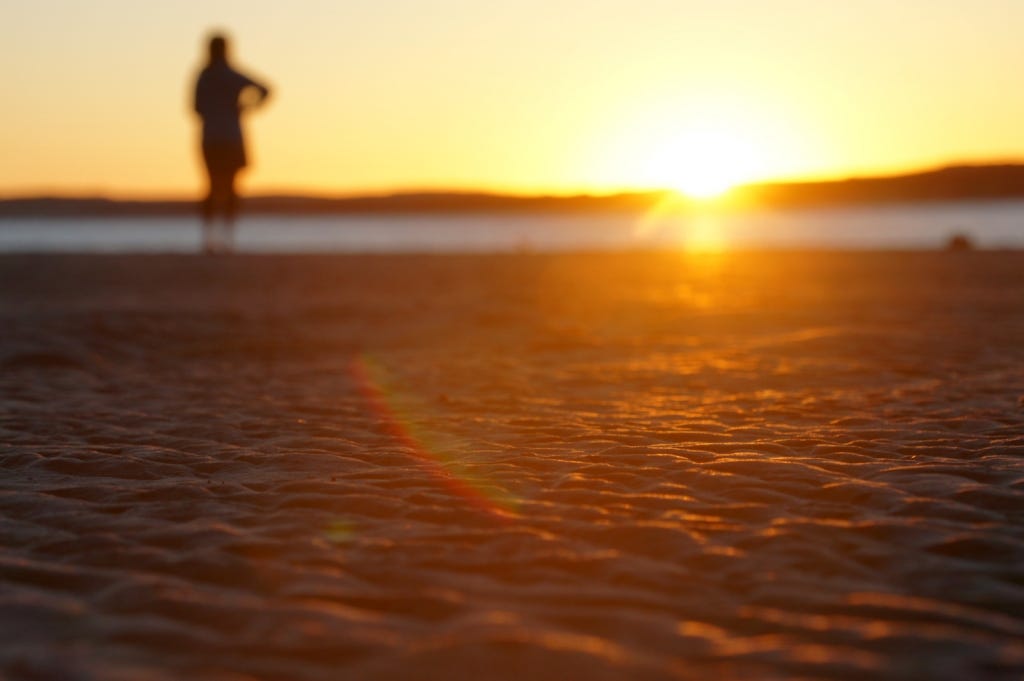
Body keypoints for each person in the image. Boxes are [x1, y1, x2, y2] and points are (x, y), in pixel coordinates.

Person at [193, 33, 270, 253]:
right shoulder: (230, 75)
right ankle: (227, 238)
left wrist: (218, 111)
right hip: (231, 137)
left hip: (211, 138)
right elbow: (265, 89)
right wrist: (245, 107)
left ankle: (209, 238)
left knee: (212, 185)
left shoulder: (204, 76)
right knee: (230, 187)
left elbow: (195, 108)